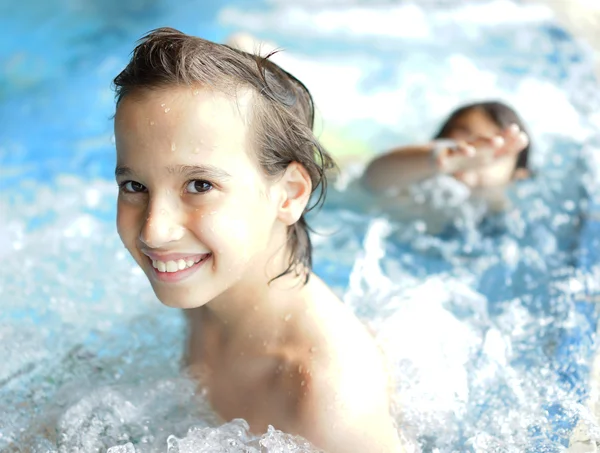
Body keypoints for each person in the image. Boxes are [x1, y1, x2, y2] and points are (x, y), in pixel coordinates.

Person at [112, 28, 403, 452]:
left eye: (199, 185)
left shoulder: (326, 402)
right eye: (135, 185)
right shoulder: (207, 283)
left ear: (289, 194)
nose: (154, 231)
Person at [361, 101, 531, 195]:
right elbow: (374, 177)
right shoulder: (422, 190)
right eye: (461, 141)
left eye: (496, 152)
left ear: (517, 176)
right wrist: (441, 160)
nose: (473, 155)